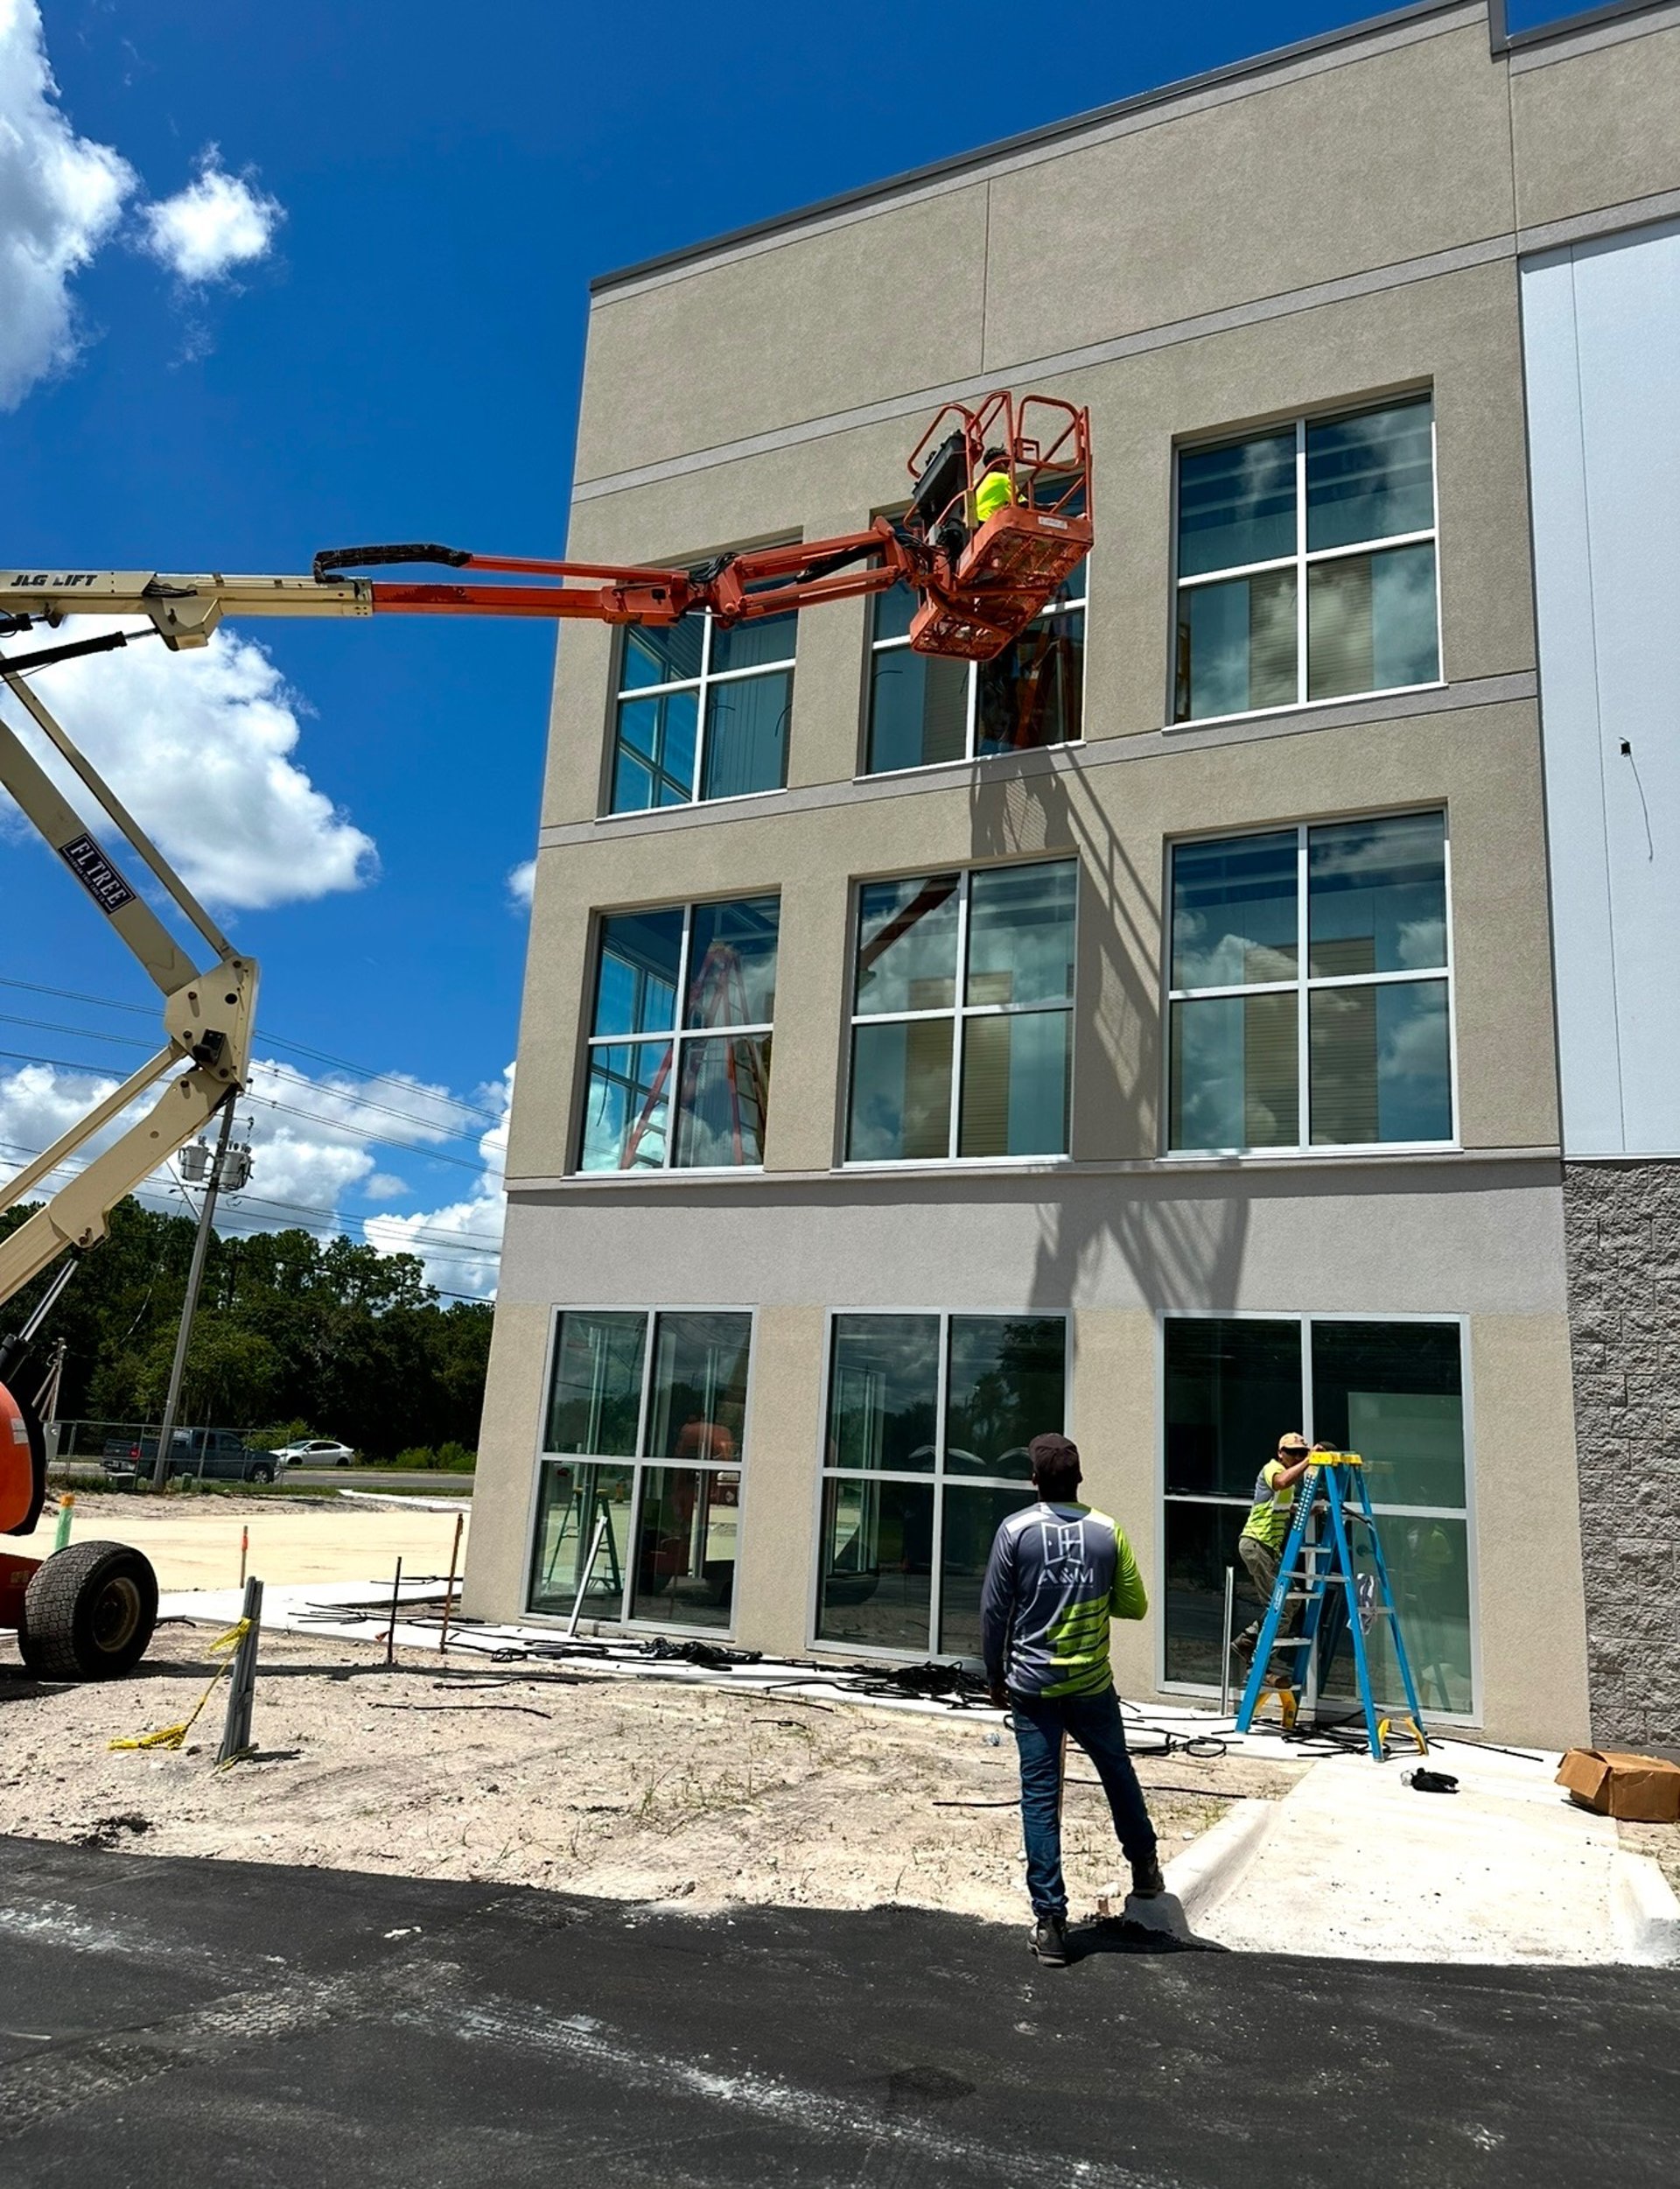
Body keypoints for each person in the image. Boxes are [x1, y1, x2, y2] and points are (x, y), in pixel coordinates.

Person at [980, 1432, 1162, 1966]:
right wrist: (1090, 1591)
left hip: (1033, 1688)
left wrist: (995, 1675)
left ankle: (1052, 1923)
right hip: (1090, 1684)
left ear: (1034, 1480)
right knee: (1117, 1772)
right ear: (1078, 1479)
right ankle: (1145, 1868)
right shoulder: (1108, 1531)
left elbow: (995, 1612)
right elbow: (1136, 1606)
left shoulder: (1015, 1530)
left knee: (1039, 1798)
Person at [1231, 1432, 1316, 1682]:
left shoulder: (1287, 1475)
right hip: (1257, 1544)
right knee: (1279, 1605)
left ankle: (1248, 1639)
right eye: (1293, 1452)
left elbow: (1280, 1503)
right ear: (1281, 1453)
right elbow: (1280, 1483)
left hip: (1269, 1548)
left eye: (1302, 1452)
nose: (1298, 1456)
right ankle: (1259, 1664)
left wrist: (1308, 1510)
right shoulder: (1272, 1468)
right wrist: (1309, 1461)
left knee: (1291, 1601)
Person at [971, 446, 1019, 528]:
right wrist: (1047, 509)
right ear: (999, 463)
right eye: (1006, 464)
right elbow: (1023, 503)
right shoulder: (1003, 479)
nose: (1007, 469)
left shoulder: (975, 483)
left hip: (974, 527)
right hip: (990, 523)